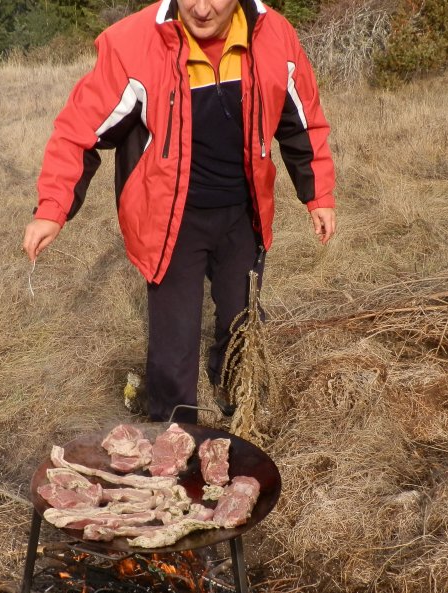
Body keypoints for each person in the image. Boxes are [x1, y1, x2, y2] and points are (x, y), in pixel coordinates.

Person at [23, 0, 336, 423]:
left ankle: (236, 403)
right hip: (169, 220)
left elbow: (302, 121)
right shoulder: (132, 44)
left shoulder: (273, 35)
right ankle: (171, 438)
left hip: (244, 215)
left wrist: (317, 196)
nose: (202, 9)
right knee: (174, 342)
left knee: (240, 321)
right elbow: (78, 130)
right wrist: (52, 208)